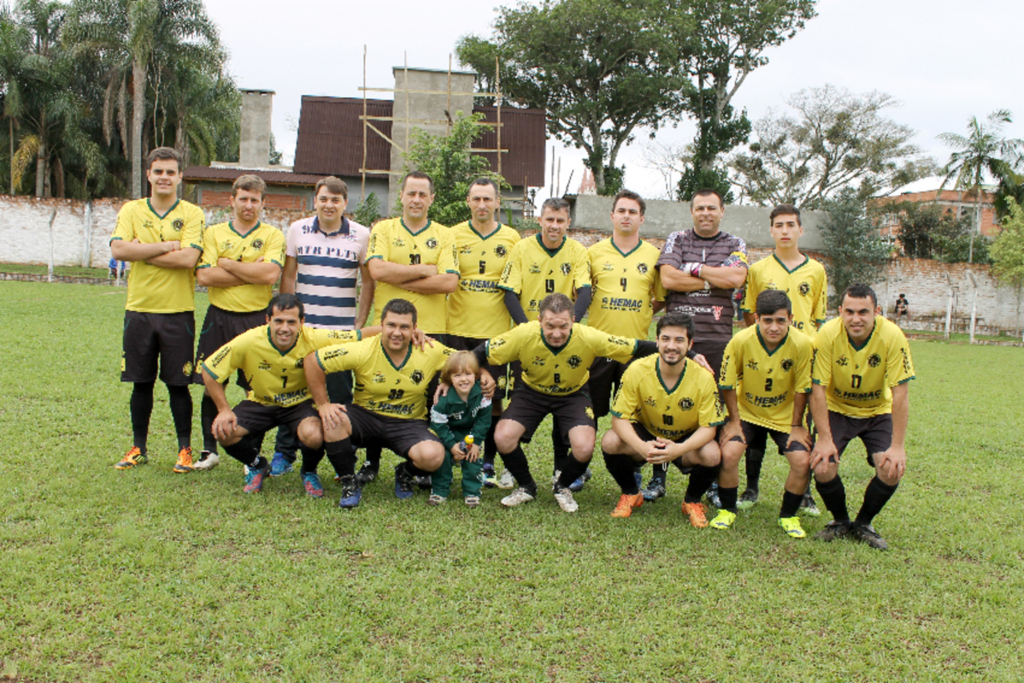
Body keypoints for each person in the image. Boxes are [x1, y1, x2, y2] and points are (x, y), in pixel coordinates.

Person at [475, 293, 654, 513]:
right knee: (503, 436)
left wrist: (690, 353)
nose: (556, 333)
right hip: (532, 392)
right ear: (539, 321)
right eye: (550, 326)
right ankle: (526, 487)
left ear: (574, 320)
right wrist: (481, 372)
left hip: (573, 394)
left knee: (584, 446)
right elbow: (479, 353)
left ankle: (562, 487)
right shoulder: (523, 334)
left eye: (563, 326)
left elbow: (635, 347)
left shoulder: (588, 336)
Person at [306, 299, 487, 508]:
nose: (397, 332)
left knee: (434, 456)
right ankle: (349, 482)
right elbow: (313, 361)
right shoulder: (363, 349)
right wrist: (323, 404)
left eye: (404, 327)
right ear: (381, 325)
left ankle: (405, 473)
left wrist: (484, 375)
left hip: (408, 422)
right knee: (333, 421)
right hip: (366, 416)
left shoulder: (428, 349)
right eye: (391, 325)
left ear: (415, 329)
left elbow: (465, 361)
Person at [200, 294, 364, 496]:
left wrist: (409, 332)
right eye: (278, 321)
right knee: (224, 431)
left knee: (314, 434)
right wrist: (224, 410)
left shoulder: (313, 337)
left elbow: (360, 335)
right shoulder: (250, 340)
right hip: (261, 402)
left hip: (299, 404)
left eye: (291, 322)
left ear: (302, 323)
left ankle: (309, 471)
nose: (284, 328)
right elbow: (209, 370)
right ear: (268, 319)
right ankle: (257, 465)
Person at [109, 147, 205, 473]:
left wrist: (141, 251)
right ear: (148, 174)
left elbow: (189, 259)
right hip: (139, 309)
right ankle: (138, 447)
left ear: (180, 177)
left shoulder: (192, 213)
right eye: (158, 171)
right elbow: (118, 249)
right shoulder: (132, 209)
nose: (164, 177)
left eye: (170, 172)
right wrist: (165, 246)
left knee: (178, 384)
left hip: (178, 311)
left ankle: (184, 450)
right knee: (141, 382)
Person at [648, 189, 748, 499]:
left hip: (717, 337)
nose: (706, 213)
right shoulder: (677, 239)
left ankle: (714, 481)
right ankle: (657, 476)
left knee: (713, 409)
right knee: (664, 403)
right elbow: (668, 280)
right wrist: (710, 279)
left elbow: (735, 279)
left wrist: (691, 269)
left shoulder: (735, 243)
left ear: (722, 211)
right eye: (700, 208)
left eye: (711, 208)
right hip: (676, 339)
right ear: (692, 211)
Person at [364, 171, 458, 487]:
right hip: (387, 329)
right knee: (375, 396)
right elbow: (376, 269)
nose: (416, 199)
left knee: (434, 401)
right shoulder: (383, 229)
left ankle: (419, 468)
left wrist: (398, 276)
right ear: (401, 195)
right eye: (411, 193)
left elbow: (449, 281)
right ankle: (370, 462)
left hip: (432, 330)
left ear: (432, 199)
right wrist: (421, 271)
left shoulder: (444, 235)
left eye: (423, 194)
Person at [277, 176, 374, 480]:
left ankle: (341, 456)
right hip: (303, 331)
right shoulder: (297, 230)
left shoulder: (361, 234)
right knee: (291, 388)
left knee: (339, 394)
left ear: (345, 204)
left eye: (335, 200)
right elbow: (289, 277)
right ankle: (284, 452)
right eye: (323, 199)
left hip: (341, 331)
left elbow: (368, 281)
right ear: (315, 200)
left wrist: (359, 321)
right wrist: (289, 318)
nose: (329, 205)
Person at [810, 284, 915, 550]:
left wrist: (898, 446)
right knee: (822, 465)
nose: (856, 318)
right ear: (840, 312)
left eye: (863, 312)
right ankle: (841, 521)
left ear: (877, 312)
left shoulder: (892, 336)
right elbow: (817, 389)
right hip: (836, 409)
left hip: (877, 411)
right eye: (850, 312)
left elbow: (900, 394)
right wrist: (823, 438)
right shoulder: (827, 334)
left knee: (891, 469)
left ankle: (864, 524)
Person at [191, 175, 284, 472]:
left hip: (257, 321)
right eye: (243, 199)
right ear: (232, 200)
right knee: (211, 382)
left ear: (263, 203)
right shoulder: (214, 233)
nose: (248, 205)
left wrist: (227, 264)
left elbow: (270, 276)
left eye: (254, 200)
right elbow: (204, 277)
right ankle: (210, 451)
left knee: (253, 390)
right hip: (218, 317)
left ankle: (249, 454)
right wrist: (250, 271)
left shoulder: (272, 235)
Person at [498, 197, 592, 490]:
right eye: (549, 219)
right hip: (530, 340)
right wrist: (529, 329)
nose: (554, 226)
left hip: (563, 338)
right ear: (540, 220)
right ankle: (513, 468)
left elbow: (585, 291)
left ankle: (559, 467)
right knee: (521, 401)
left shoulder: (577, 251)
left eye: (560, 220)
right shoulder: (522, 248)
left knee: (563, 401)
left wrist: (567, 326)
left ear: (568, 223)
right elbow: (509, 293)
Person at [738, 203, 826, 513]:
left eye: (791, 225)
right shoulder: (759, 270)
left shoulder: (816, 270)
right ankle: (751, 488)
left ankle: (806, 493)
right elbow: (749, 312)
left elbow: (818, 317)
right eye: (779, 225)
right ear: (771, 230)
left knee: (806, 424)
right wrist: (765, 345)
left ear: (801, 230)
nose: (785, 230)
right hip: (766, 360)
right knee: (757, 420)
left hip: (803, 360)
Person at [600, 312, 724, 525]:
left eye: (679, 340)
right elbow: (619, 420)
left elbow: (708, 429)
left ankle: (692, 501)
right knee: (610, 441)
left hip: (684, 438)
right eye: (665, 338)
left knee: (712, 453)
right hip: (647, 432)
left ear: (690, 343)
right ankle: (631, 493)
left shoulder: (703, 377)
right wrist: (641, 446)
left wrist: (678, 449)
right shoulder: (637, 370)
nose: (671, 346)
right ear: (656, 340)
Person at [716, 290, 814, 537]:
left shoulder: (802, 344)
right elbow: (726, 384)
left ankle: (788, 516)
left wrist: (797, 425)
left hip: (785, 418)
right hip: (747, 414)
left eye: (781, 320)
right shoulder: (740, 341)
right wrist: (735, 422)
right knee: (728, 454)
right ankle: (728, 510)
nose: (774, 327)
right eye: (767, 320)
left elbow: (803, 388)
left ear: (791, 318)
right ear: (756, 317)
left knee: (802, 462)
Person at [586, 189, 665, 487]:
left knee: (641, 415)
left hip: (637, 349)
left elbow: (659, 299)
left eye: (633, 212)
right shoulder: (593, 253)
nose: (626, 216)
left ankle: (641, 469)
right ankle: (581, 465)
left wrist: (642, 312)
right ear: (612, 216)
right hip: (599, 347)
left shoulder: (654, 255)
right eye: (621, 211)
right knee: (590, 412)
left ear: (641, 218)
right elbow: (581, 294)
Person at [445, 178, 520, 487]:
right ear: (468, 201)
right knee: (457, 397)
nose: (482, 205)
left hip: (497, 334)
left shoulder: (513, 238)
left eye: (487, 199)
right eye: (476, 199)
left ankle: (487, 462)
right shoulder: (452, 235)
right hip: (458, 330)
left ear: (497, 202)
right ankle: (456, 457)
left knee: (493, 399)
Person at [428, 351, 492, 507]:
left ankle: (472, 492)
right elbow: (438, 425)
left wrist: (476, 442)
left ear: (476, 375)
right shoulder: (443, 399)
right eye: (457, 375)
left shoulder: (482, 395)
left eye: (468, 374)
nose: (463, 379)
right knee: (442, 458)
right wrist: (451, 444)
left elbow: (484, 421)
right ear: (449, 379)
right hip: (447, 434)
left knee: (472, 457)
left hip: (469, 434)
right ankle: (440, 490)